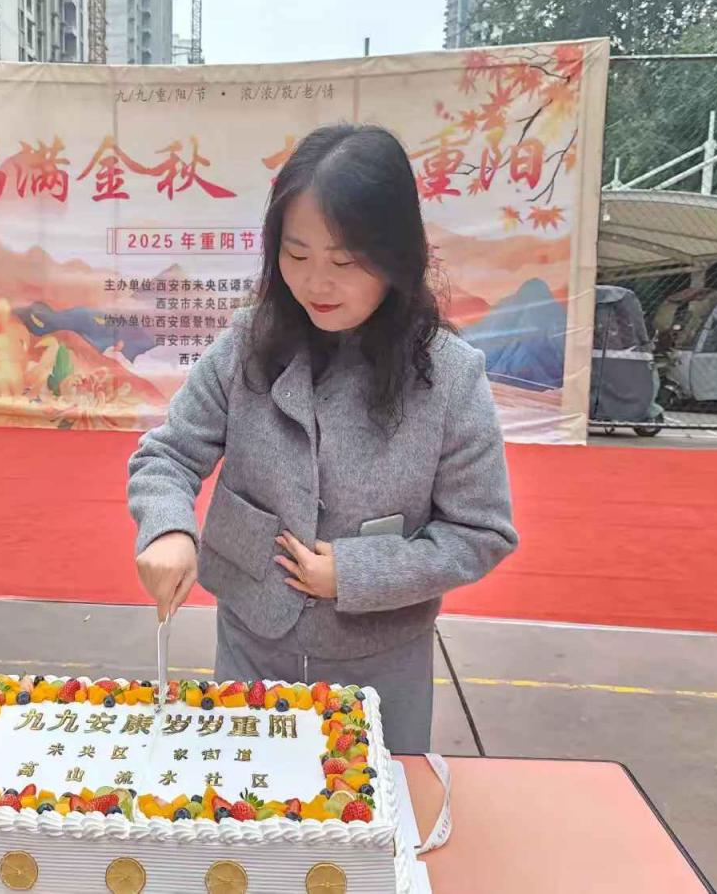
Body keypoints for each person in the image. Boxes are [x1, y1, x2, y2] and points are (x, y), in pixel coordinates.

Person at [126, 123, 518, 751]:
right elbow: (168, 455)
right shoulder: (247, 343)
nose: (315, 283)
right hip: (252, 646)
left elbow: (481, 532)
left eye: (344, 262)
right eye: (296, 254)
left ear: (396, 257)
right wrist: (167, 527)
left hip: (382, 663)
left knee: (372, 799)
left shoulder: (448, 377)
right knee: (248, 795)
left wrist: (358, 573)